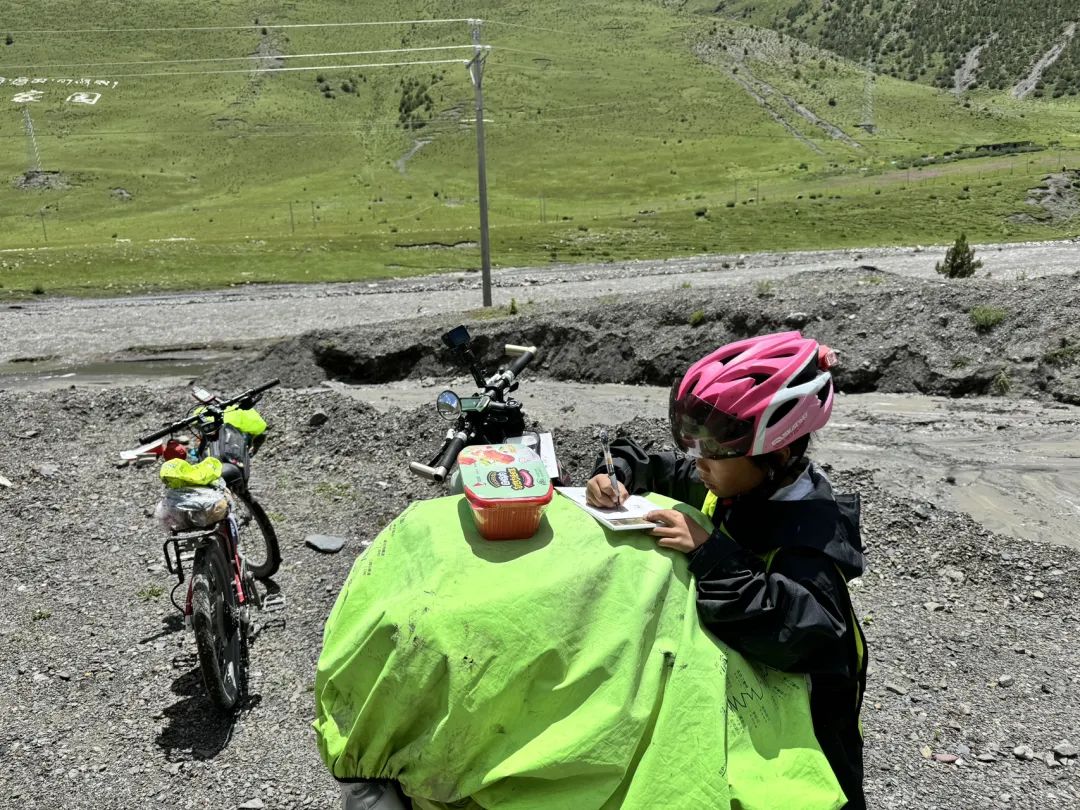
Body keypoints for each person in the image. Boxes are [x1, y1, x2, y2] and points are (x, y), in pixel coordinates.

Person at [586, 330, 867, 809]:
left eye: (714, 449)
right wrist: (616, 475)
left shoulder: (809, 538)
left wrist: (710, 553)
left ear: (776, 454)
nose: (699, 461)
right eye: (696, 443)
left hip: (807, 735)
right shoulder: (737, 481)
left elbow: (804, 634)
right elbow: (662, 467)